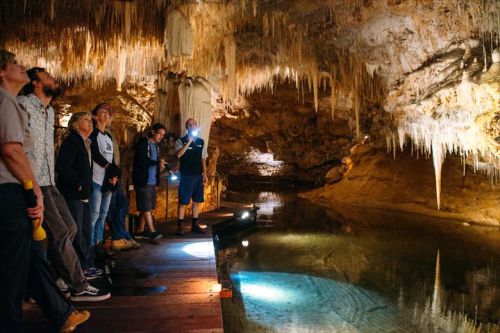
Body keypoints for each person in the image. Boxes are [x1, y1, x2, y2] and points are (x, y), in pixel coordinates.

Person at [0, 49, 89, 333]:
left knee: (44, 245)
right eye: (14, 64)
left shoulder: (48, 112)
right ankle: (76, 286)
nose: (20, 67)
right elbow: (13, 149)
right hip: (22, 184)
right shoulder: (17, 102)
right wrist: (32, 186)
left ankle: (60, 304)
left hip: (39, 181)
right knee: (34, 250)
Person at [18, 68, 109, 302]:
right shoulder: (23, 105)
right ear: (36, 83)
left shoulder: (49, 112)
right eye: (48, 76)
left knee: (70, 227)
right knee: (59, 233)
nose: (54, 79)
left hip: (50, 182)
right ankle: (78, 284)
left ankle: (58, 276)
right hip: (34, 180)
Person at [56, 112, 107, 282]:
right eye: (86, 119)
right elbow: (62, 166)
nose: (91, 122)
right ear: (76, 124)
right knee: (76, 231)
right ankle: (77, 270)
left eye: (90, 119)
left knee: (85, 230)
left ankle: (85, 266)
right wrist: (77, 183)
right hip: (73, 194)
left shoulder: (87, 142)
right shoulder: (72, 141)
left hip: (84, 194)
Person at [88, 103, 119, 266]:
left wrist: (114, 175)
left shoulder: (107, 136)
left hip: (107, 181)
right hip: (96, 180)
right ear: (94, 117)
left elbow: (111, 159)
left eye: (108, 112)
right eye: (102, 112)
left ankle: (99, 247)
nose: (106, 114)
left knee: (102, 216)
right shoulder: (92, 134)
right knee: (93, 216)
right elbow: (95, 153)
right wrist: (109, 168)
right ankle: (91, 249)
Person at [105, 109, 140, 251]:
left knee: (121, 205)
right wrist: (111, 175)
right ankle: (120, 239)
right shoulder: (100, 134)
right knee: (112, 209)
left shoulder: (108, 133)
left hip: (115, 176)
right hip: (108, 177)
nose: (110, 116)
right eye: (106, 113)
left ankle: (123, 237)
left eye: (109, 113)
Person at [132, 123, 167, 241]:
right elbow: (143, 162)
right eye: (159, 133)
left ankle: (140, 231)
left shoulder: (156, 147)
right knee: (146, 207)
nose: (160, 137)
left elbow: (154, 164)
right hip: (143, 180)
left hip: (152, 181)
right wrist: (157, 163)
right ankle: (152, 231)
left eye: (162, 135)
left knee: (147, 207)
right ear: (153, 132)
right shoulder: (143, 144)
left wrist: (160, 170)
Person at [175, 118, 208, 235]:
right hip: (186, 175)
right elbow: (179, 154)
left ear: (196, 126)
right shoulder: (180, 141)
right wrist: (188, 142)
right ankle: (180, 226)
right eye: (189, 125)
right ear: (186, 127)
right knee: (183, 202)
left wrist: (205, 174)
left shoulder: (201, 142)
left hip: (198, 175)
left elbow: (203, 158)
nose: (192, 126)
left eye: (194, 124)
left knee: (196, 201)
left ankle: (195, 225)